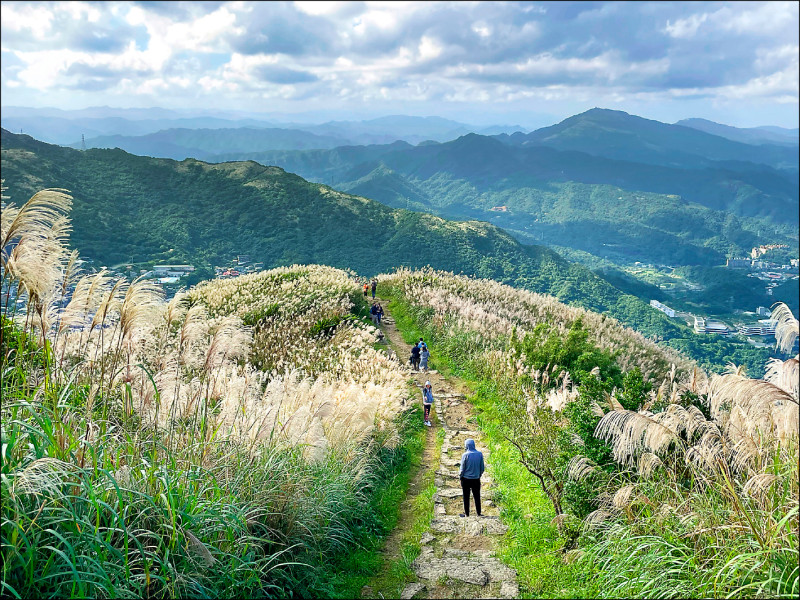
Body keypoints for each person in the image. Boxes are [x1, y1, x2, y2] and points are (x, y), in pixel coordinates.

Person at [459, 438, 484, 517]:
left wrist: (460, 477)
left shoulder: (465, 455)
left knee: (466, 497)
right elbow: (482, 468)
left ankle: (467, 514)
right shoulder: (480, 454)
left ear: (466, 446)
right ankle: (479, 513)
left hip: (466, 479)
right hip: (476, 479)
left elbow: (462, 469)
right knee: (477, 496)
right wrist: (478, 475)